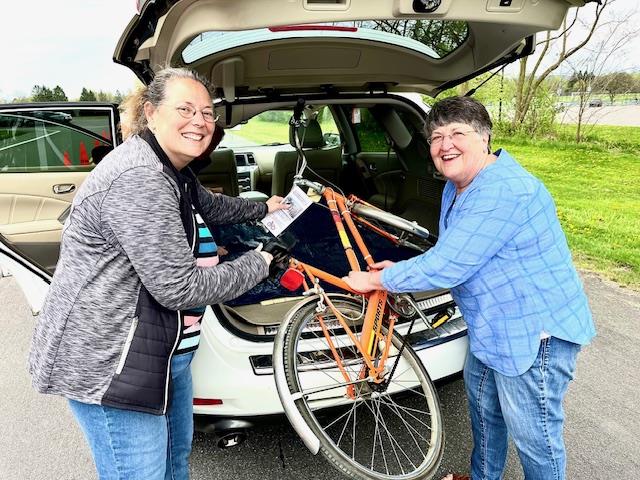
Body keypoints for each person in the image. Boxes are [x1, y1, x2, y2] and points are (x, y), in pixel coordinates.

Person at [28, 67, 288, 480]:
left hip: (162, 355)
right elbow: (179, 288)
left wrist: (265, 208)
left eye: (207, 112)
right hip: (115, 364)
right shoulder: (140, 177)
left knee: (173, 464)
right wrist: (260, 262)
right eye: (185, 109)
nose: (199, 121)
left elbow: (211, 206)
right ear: (150, 113)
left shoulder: (171, 168)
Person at [343, 96, 596, 480]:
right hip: (492, 325)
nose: (445, 145)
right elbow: (455, 248)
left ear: (484, 138)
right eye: (436, 137)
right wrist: (401, 269)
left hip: (534, 334)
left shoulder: (504, 190)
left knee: (535, 437)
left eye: (457, 133)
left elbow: (449, 265)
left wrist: (375, 279)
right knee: (484, 413)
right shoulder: (458, 185)